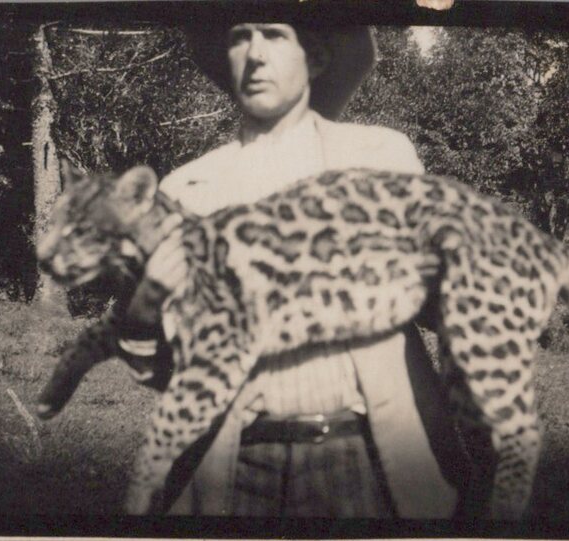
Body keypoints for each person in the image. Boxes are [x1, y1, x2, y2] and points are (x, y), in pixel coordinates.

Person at [115, 23, 470, 518]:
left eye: (274, 35)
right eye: (239, 36)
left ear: (316, 58)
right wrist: (144, 309)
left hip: (362, 454)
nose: (255, 54)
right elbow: (161, 371)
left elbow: (446, 309)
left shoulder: (381, 158)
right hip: (233, 463)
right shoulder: (187, 189)